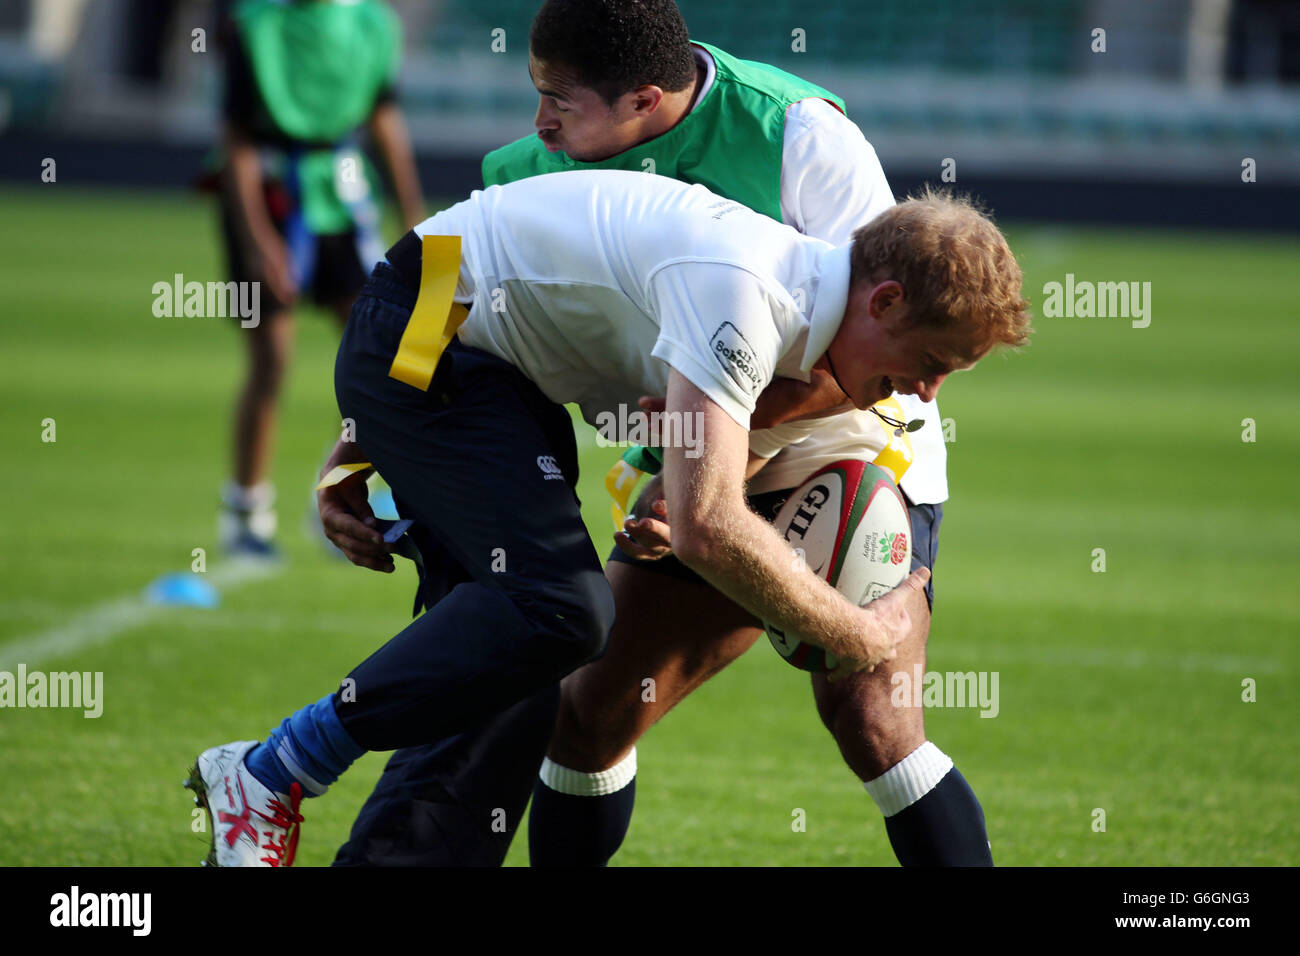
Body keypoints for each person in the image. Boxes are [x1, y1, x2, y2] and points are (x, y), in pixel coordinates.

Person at [186, 167, 1029, 867]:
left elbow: (697, 492)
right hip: (431, 343)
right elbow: (710, 529)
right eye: (930, 364)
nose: (928, 395)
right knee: (562, 610)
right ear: (881, 301)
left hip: (484, 376)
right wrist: (856, 632)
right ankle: (271, 771)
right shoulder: (749, 288)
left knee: (512, 664)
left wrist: (684, 496)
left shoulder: (810, 336)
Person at [323, 0, 996, 867]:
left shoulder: (798, 136)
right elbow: (444, 287)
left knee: (874, 719)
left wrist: (698, 468)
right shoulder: (537, 160)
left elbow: (877, 338)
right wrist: (365, 442)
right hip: (699, 462)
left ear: (643, 100)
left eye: (560, 100)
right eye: (538, 93)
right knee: (588, 713)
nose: (539, 124)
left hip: (855, 440)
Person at [211, 0, 423, 558]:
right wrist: (259, 240)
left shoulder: (374, 26)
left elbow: (382, 116)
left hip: (344, 192)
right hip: (269, 193)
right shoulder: (254, 25)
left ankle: (336, 499)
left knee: (375, 354)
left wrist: (412, 212)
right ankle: (246, 513)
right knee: (272, 360)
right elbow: (235, 138)